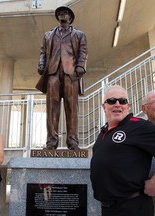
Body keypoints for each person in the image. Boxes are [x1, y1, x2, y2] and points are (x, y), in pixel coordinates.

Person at [90, 85, 155, 216]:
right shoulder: (104, 132)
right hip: (109, 209)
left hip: (132, 207)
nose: (117, 104)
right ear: (104, 107)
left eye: (122, 101)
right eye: (112, 101)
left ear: (128, 107)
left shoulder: (138, 125)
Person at [36, 6, 88, 150]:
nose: (62, 15)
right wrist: (41, 64)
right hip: (52, 73)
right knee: (52, 108)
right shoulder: (48, 35)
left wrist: (80, 67)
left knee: (72, 108)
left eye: (65, 13)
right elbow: (43, 52)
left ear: (70, 18)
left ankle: (72, 142)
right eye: (60, 13)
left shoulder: (79, 34)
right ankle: (51, 142)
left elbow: (83, 52)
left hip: (71, 74)